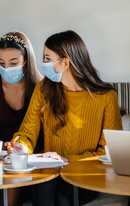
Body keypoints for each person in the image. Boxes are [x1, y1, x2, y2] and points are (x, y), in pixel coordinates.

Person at [7, 30, 123, 205]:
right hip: (50, 171)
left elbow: (110, 153)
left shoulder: (106, 97)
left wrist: (67, 160)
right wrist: (20, 146)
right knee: (45, 186)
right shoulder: (43, 88)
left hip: (86, 174)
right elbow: (27, 132)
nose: (43, 64)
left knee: (64, 193)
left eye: (47, 58)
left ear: (66, 63)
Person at [0, 31, 42, 206]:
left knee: (13, 181)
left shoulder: (41, 88)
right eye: (1, 63)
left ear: (26, 61)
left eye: (13, 63)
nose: (7, 68)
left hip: (26, 159)